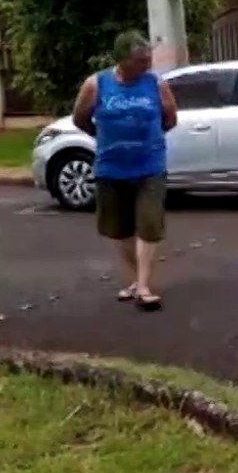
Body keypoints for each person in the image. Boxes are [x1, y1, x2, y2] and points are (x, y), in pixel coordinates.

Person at [70, 31, 177, 310]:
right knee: (118, 229)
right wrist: (104, 137)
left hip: (149, 165)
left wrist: (149, 139)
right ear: (122, 60)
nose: (147, 64)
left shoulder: (156, 84)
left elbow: (170, 118)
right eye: (140, 60)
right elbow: (80, 118)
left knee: (149, 225)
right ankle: (137, 280)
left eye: (148, 59)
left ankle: (143, 286)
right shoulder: (97, 84)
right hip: (111, 167)